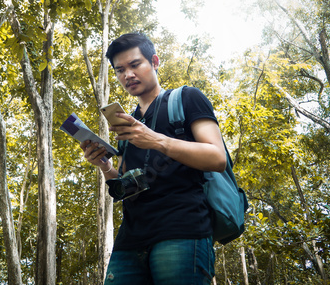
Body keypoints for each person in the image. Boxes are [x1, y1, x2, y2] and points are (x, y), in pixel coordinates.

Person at [80, 32, 227, 284]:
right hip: (130, 240)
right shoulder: (126, 125)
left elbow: (217, 157)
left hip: (182, 230)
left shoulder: (186, 98)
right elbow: (127, 187)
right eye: (120, 70)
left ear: (155, 62)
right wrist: (105, 167)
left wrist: (156, 139)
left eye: (135, 64)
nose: (128, 75)